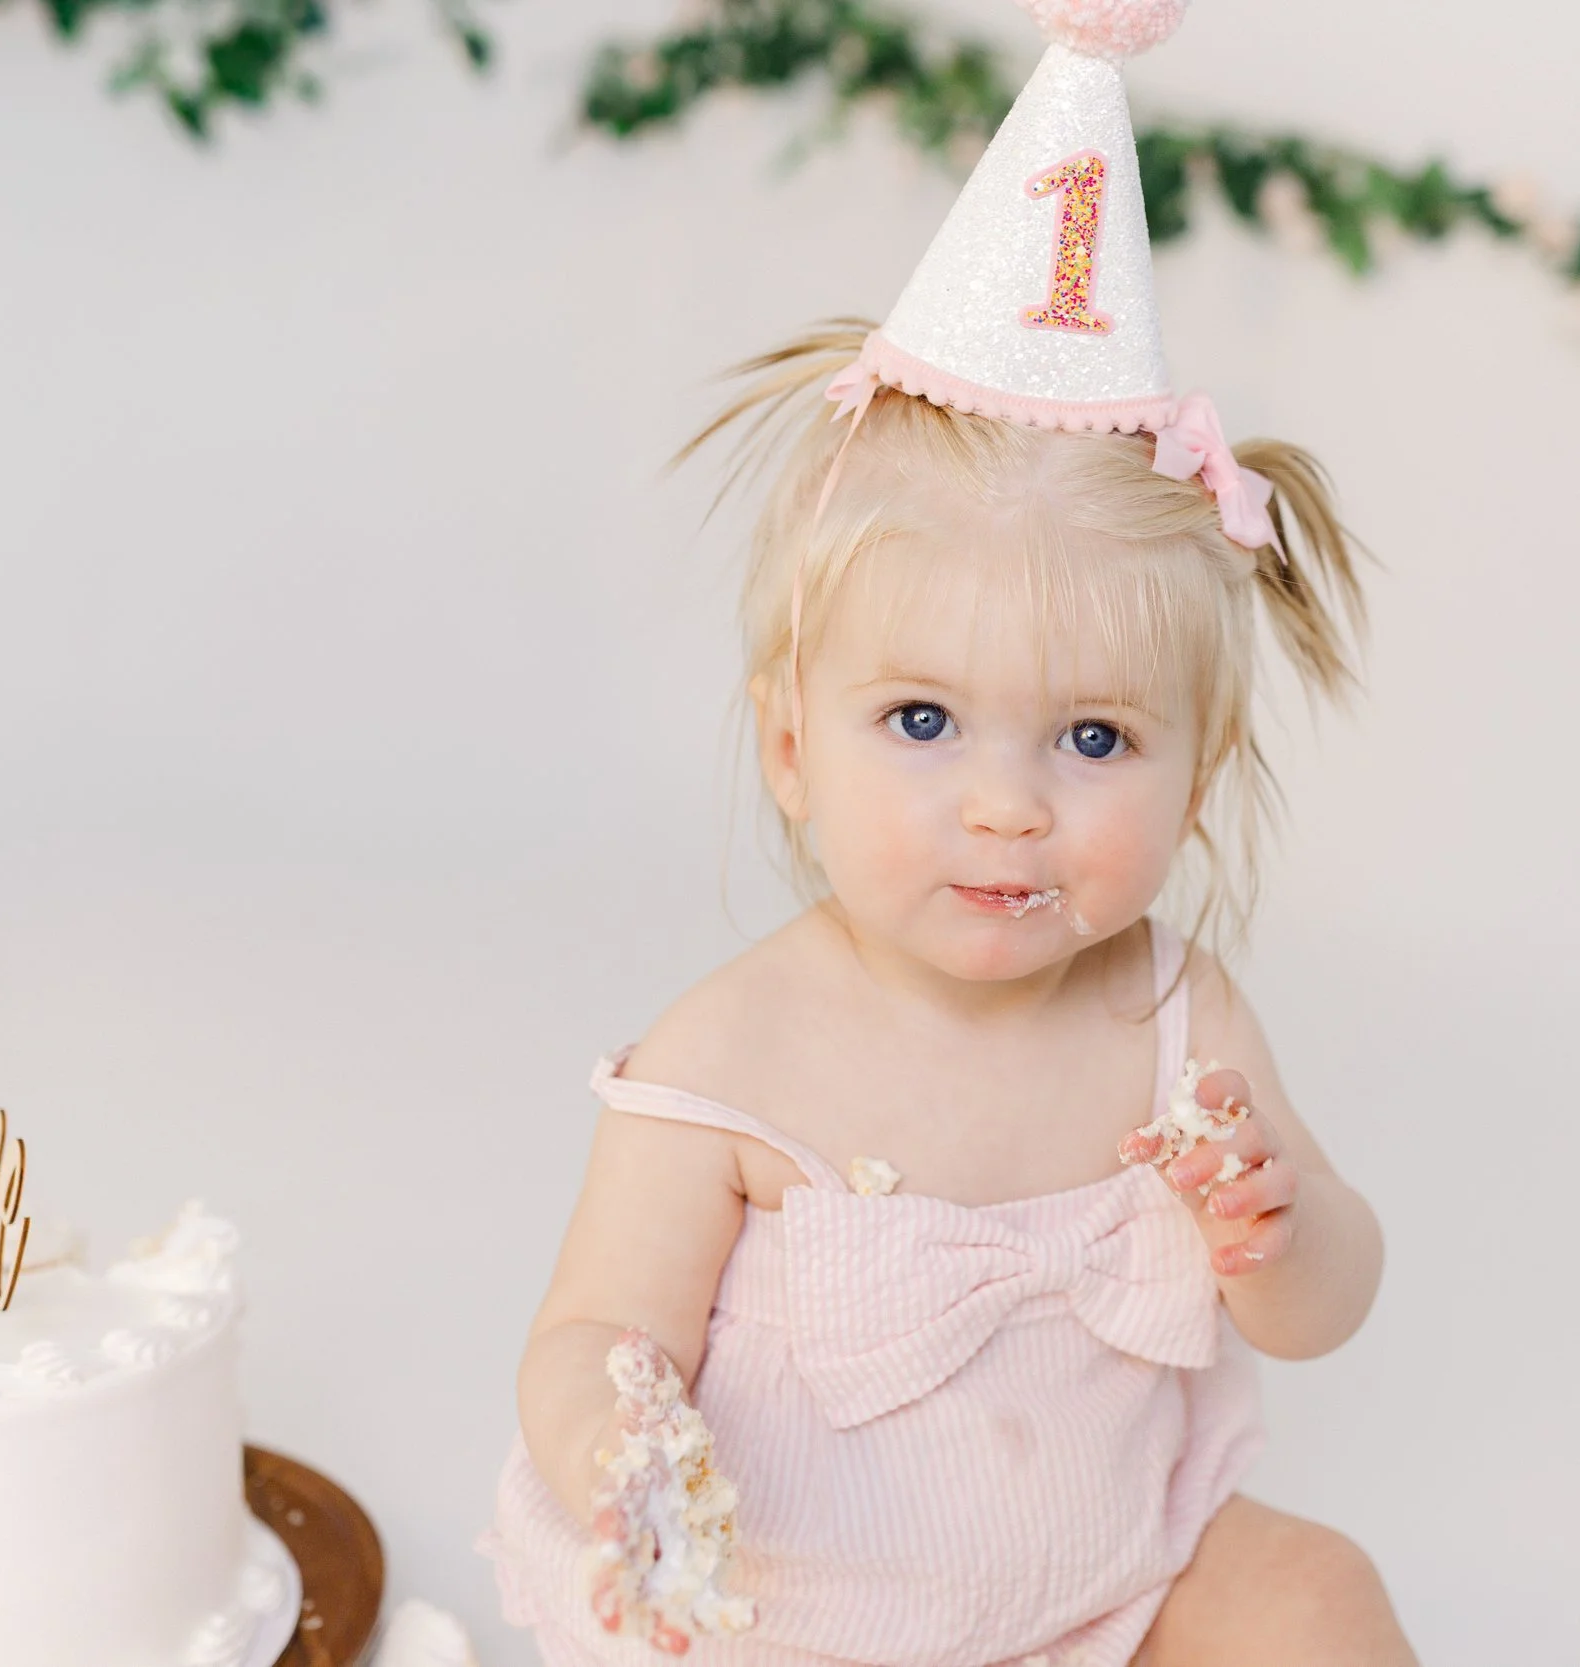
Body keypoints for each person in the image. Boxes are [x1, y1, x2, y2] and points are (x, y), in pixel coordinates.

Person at [484, 6, 1418, 1663]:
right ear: (791, 741)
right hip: (797, 1622)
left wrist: (1277, 1230)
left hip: (1118, 1582)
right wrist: (623, 1443)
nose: (1008, 801)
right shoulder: (734, 1054)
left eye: (1095, 737)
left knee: (1318, 1598)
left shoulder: (1174, 1019)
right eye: (922, 721)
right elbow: (588, 1330)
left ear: (1195, 784)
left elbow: (1331, 1302)